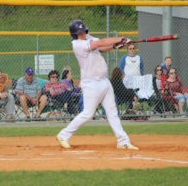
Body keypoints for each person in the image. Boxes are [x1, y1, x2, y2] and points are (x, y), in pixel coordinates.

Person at [57, 20, 139, 150]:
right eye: (79, 32)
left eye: (84, 31)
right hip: (91, 83)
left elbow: (100, 49)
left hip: (104, 81)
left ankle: (123, 141)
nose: (83, 33)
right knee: (87, 114)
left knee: (112, 112)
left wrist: (114, 46)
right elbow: (98, 43)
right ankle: (63, 135)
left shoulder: (87, 38)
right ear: (74, 35)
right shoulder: (77, 45)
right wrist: (120, 39)